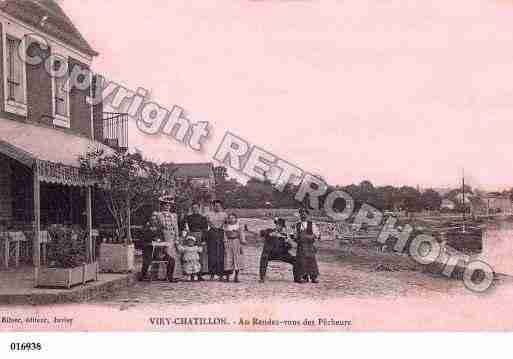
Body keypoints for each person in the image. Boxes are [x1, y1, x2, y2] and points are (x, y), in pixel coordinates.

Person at [259, 218, 298, 283]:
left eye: (280, 225)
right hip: (270, 254)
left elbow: (289, 247)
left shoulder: (285, 235)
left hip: (282, 254)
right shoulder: (270, 231)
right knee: (264, 257)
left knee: (295, 260)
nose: (278, 226)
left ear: (283, 227)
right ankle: (262, 277)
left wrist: (288, 242)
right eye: (277, 224)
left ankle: (297, 278)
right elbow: (261, 233)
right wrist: (269, 234)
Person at [139, 214, 176, 282]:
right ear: (149, 221)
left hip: (159, 252)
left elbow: (163, 240)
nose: (154, 221)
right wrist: (150, 243)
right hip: (149, 251)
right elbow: (141, 242)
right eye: (152, 220)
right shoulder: (145, 229)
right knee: (147, 261)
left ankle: (169, 277)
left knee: (171, 260)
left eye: (155, 219)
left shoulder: (159, 230)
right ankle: (143, 276)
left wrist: (162, 245)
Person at [154, 196, 183, 280]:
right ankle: (162, 275)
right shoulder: (159, 215)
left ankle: (174, 274)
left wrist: (177, 238)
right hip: (163, 236)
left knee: (173, 254)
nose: (167, 206)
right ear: (162, 206)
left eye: (169, 205)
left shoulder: (174, 215)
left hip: (172, 235)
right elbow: (157, 227)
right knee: (165, 254)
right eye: (165, 205)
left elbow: (176, 227)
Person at [294, 208, 320, 283]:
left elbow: (317, 234)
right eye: (301, 213)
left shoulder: (312, 224)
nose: (303, 215)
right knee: (301, 261)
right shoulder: (297, 225)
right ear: (300, 215)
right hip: (301, 246)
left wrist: (311, 236)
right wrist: (296, 238)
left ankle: (313, 277)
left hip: (309, 245)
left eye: (304, 213)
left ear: (307, 215)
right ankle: (303, 277)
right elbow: (295, 235)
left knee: (311, 261)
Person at [184, 202, 209, 280]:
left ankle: (199, 274)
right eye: (193, 208)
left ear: (199, 208)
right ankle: (190, 273)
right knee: (190, 254)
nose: (195, 209)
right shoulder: (188, 217)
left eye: (196, 208)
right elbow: (184, 226)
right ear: (191, 209)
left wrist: (204, 239)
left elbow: (205, 229)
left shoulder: (203, 218)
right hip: (191, 235)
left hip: (200, 235)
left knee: (200, 255)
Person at [206, 200, 228, 280]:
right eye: (215, 205)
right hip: (211, 233)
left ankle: (221, 274)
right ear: (213, 206)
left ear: (221, 206)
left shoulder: (224, 215)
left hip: (221, 233)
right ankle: (212, 274)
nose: (217, 207)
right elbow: (207, 224)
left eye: (218, 206)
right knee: (212, 254)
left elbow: (226, 225)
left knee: (220, 254)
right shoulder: (209, 214)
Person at [223, 213, 246, 282]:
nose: (231, 219)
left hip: (236, 242)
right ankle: (227, 276)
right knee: (228, 258)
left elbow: (241, 235)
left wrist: (242, 242)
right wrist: (225, 242)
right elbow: (224, 236)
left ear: (236, 218)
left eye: (233, 218)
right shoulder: (226, 226)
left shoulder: (238, 226)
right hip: (229, 242)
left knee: (237, 258)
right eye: (230, 218)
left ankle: (236, 276)